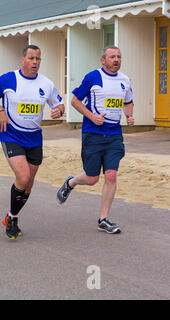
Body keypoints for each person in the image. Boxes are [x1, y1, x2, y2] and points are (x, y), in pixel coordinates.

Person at [0, 45, 65, 240]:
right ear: (23, 59)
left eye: (38, 58)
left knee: (28, 183)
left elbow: (59, 103)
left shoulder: (46, 84)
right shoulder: (9, 79)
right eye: (31, 58)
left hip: (34, 137)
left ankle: (12, 216)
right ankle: (12, 220)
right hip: (11, 135)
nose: (35, 62)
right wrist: (0, 110)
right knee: (23, 176)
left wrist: (59, 111)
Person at [57, 46, 134, 234]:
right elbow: (75, 100)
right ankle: (71, 182)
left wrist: (129, 116)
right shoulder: (93, 77)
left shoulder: (125, 80)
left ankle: (103, 219)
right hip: (93, 134)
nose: (116, 60)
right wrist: (92, 116)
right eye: (112, 57)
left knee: (111, 175)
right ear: (103, 60)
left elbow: (128, 101)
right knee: (92, 179)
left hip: (114, 135)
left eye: (119, 57)